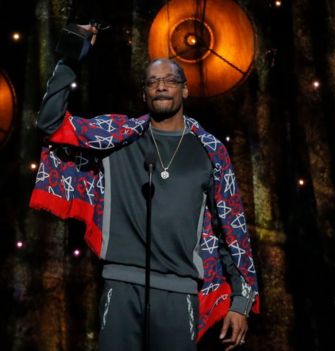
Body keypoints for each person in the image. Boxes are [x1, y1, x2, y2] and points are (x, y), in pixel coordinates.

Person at [30, 25, 259, 351]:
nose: (161, 87)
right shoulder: (117, 137)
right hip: (121, 285)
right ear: (144, 94)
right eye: (152, 82)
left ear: (185, 90)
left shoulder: (209, 151)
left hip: (179, 293)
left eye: (169, 81)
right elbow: (50, 122)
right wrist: (70, 55)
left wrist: (241, 301)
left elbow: (231, 228)